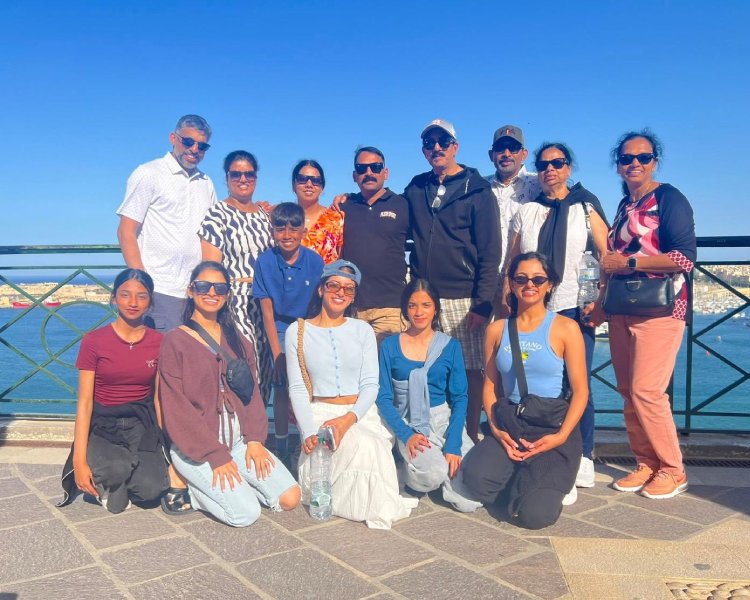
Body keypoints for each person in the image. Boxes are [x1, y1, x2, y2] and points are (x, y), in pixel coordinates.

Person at [158, 261, 300, 527]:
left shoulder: (237, 339)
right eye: (203, 286)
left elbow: (251, 394)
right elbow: (177, 408)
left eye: (220, 288)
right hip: (198, 450)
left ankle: (233, 487)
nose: (211, 292)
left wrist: (255, 439)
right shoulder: (175, 341)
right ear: (190, 290)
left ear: (227, 294)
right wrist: (215, 455)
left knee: (289, 498)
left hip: (239, 443)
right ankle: (192, 488)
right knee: (245, 514)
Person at [595, 130, 696, 500]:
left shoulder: (669, 198)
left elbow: (684, 258)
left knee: (647, 390)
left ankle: (673, 469)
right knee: (627, 391)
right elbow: (611, 259)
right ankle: (646, 462)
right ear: (618, 165)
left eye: (643, 157)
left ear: (655, 161)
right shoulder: (625, 205)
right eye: (627, 158)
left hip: (662, 306)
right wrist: (602, 301)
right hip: (623, 306)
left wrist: (630, 263)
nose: (634, 163)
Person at [458, 252, 588, 529]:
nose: (530, 285)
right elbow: (490, 385)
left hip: (549, 424)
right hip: (511, 421)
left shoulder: (566, 328)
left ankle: (543, 484)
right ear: (512, 283)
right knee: (475, 480)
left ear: (549, 284)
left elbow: (580, 392)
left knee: (536, 517)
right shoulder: (497, 330)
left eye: (538, 279)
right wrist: (496, 430)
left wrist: (561, 436)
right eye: (521, 279)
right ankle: (526, 479)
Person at [506, 142, 608, 489]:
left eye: (558, 163)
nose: (550, 169)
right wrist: (505, 294)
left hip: (574, 307)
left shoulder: (586, 207)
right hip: (533, 311)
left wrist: (600, 299)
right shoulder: (527, 211)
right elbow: (512, 261)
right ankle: (541, 446)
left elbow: (605, 255)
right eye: (544, 164)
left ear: (569, 168)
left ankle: (583, 453)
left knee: (578, 385)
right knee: (538, 382)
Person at [286, 259, 417, 529]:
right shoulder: (297, 331)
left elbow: (370, 384)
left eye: (348, 289)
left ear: (354, 295)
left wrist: (348, 419)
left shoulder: (362, 330)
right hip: (320, 413)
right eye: (333, 285)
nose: (340, 293)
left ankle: (361, 502)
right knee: (354, 449)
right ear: (321, 289)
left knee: (370, 446)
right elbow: (297, 388)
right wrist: (308, 431)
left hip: (359, 414)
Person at [405, 119, 501, 444]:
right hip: (426, 297)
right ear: (423, 151)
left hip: (464, 297)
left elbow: (491, 252)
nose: (436, 148)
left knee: (470, 372)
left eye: (443, 142)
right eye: (429, 143)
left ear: (455, 147)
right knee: (430, 369)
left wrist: (483, 304)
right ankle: (434, 435)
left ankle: (468, 436)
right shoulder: (417, 187)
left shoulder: (478, 189)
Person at [59, 269, 168, 514]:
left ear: (150, 302)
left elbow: (158, 399)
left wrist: (166, 446)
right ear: (114, 298)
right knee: (115, 471)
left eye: (142, 296)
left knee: (151, 491)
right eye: (125, 294)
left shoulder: (158, 342)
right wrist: (79, 460)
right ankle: (113, 475)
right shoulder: (94, 341)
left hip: (140, 422)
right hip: (103, 424)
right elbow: (85, 402)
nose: (133, 302)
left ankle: (125, 472)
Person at [376, 279, 481, 512]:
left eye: (426, 305)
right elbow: (383, 397)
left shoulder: (450, 346)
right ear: (405, 308)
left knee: (470, 499)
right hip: (409, 422)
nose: (419, 312)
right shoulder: (390, 346)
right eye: (412, 305)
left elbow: (460, 397)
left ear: (435, 309)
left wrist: (453, 443)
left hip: (443, 420)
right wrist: (406, 435)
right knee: (434, 473)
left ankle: (440, 470)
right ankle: (411, 473)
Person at [117, 114, 217, 332]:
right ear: (173, 138)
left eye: (202, 146)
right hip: (159, 290)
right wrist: (141, 282)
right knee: (159, 352)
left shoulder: (206, 183)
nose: (194, 149)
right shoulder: (149, 174)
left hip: (194, 293)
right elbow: (126, 231)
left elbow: (212, 234)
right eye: (188, 142)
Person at [199, 151, 274, 406]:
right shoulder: (217, 214)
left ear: (256, 177)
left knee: (266, 369)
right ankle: (243, 425)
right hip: (236, 302)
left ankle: (259, 425)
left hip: (265, 302)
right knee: (246, 367)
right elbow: (210, 267)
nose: (243, 179)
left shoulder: (264, 215)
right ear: (227, 177)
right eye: (236, 174)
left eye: (249, 174)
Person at [252, 203, 324, 463]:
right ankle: (281, 446)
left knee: (310, 387)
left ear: (303, 230)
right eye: (280, 228)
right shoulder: (265, 261)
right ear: (272, 231)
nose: (287, 234)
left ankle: (310, 440)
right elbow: (267, 312)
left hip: (308, 327)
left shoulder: (315, 261)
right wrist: (277, 355)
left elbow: (319, 306)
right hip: (280, 328)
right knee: (281, 387)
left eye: (294, 228)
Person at [340, 146, 410, 343]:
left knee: (389, 363)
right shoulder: (344, 207)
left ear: (385, 173)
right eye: (362, 169)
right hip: (352, 308)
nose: (369, 172)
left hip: (391, 308)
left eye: (375, 167)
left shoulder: (403, 205)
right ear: (354, 176)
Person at [485, 125, 542, 319]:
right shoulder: (479, 187)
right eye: (500, 149)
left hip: (526, 281)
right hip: (486, 280)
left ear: (524, 154)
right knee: (488, 336)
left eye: (513, 148)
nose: (507, 154)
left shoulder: (539, 184)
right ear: (491, 155)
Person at [292, 159, 343, 264]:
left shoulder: (336, 219)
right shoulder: (282, 217)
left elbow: (341, 258)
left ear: (322, 187)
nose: (309, 184)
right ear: (294, 185)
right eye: (302, 179)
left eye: (315, 180)